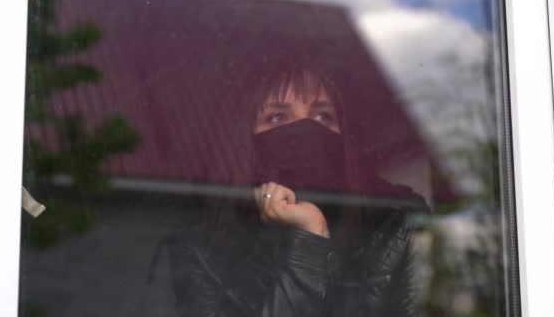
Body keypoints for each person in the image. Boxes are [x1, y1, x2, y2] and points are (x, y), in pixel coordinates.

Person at [166, 40, 428, 316]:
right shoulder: (204, 248)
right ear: (245, 141)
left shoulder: (391, 227)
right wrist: (310, 238)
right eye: (278, 118)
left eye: (322, 116)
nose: (306, 131)